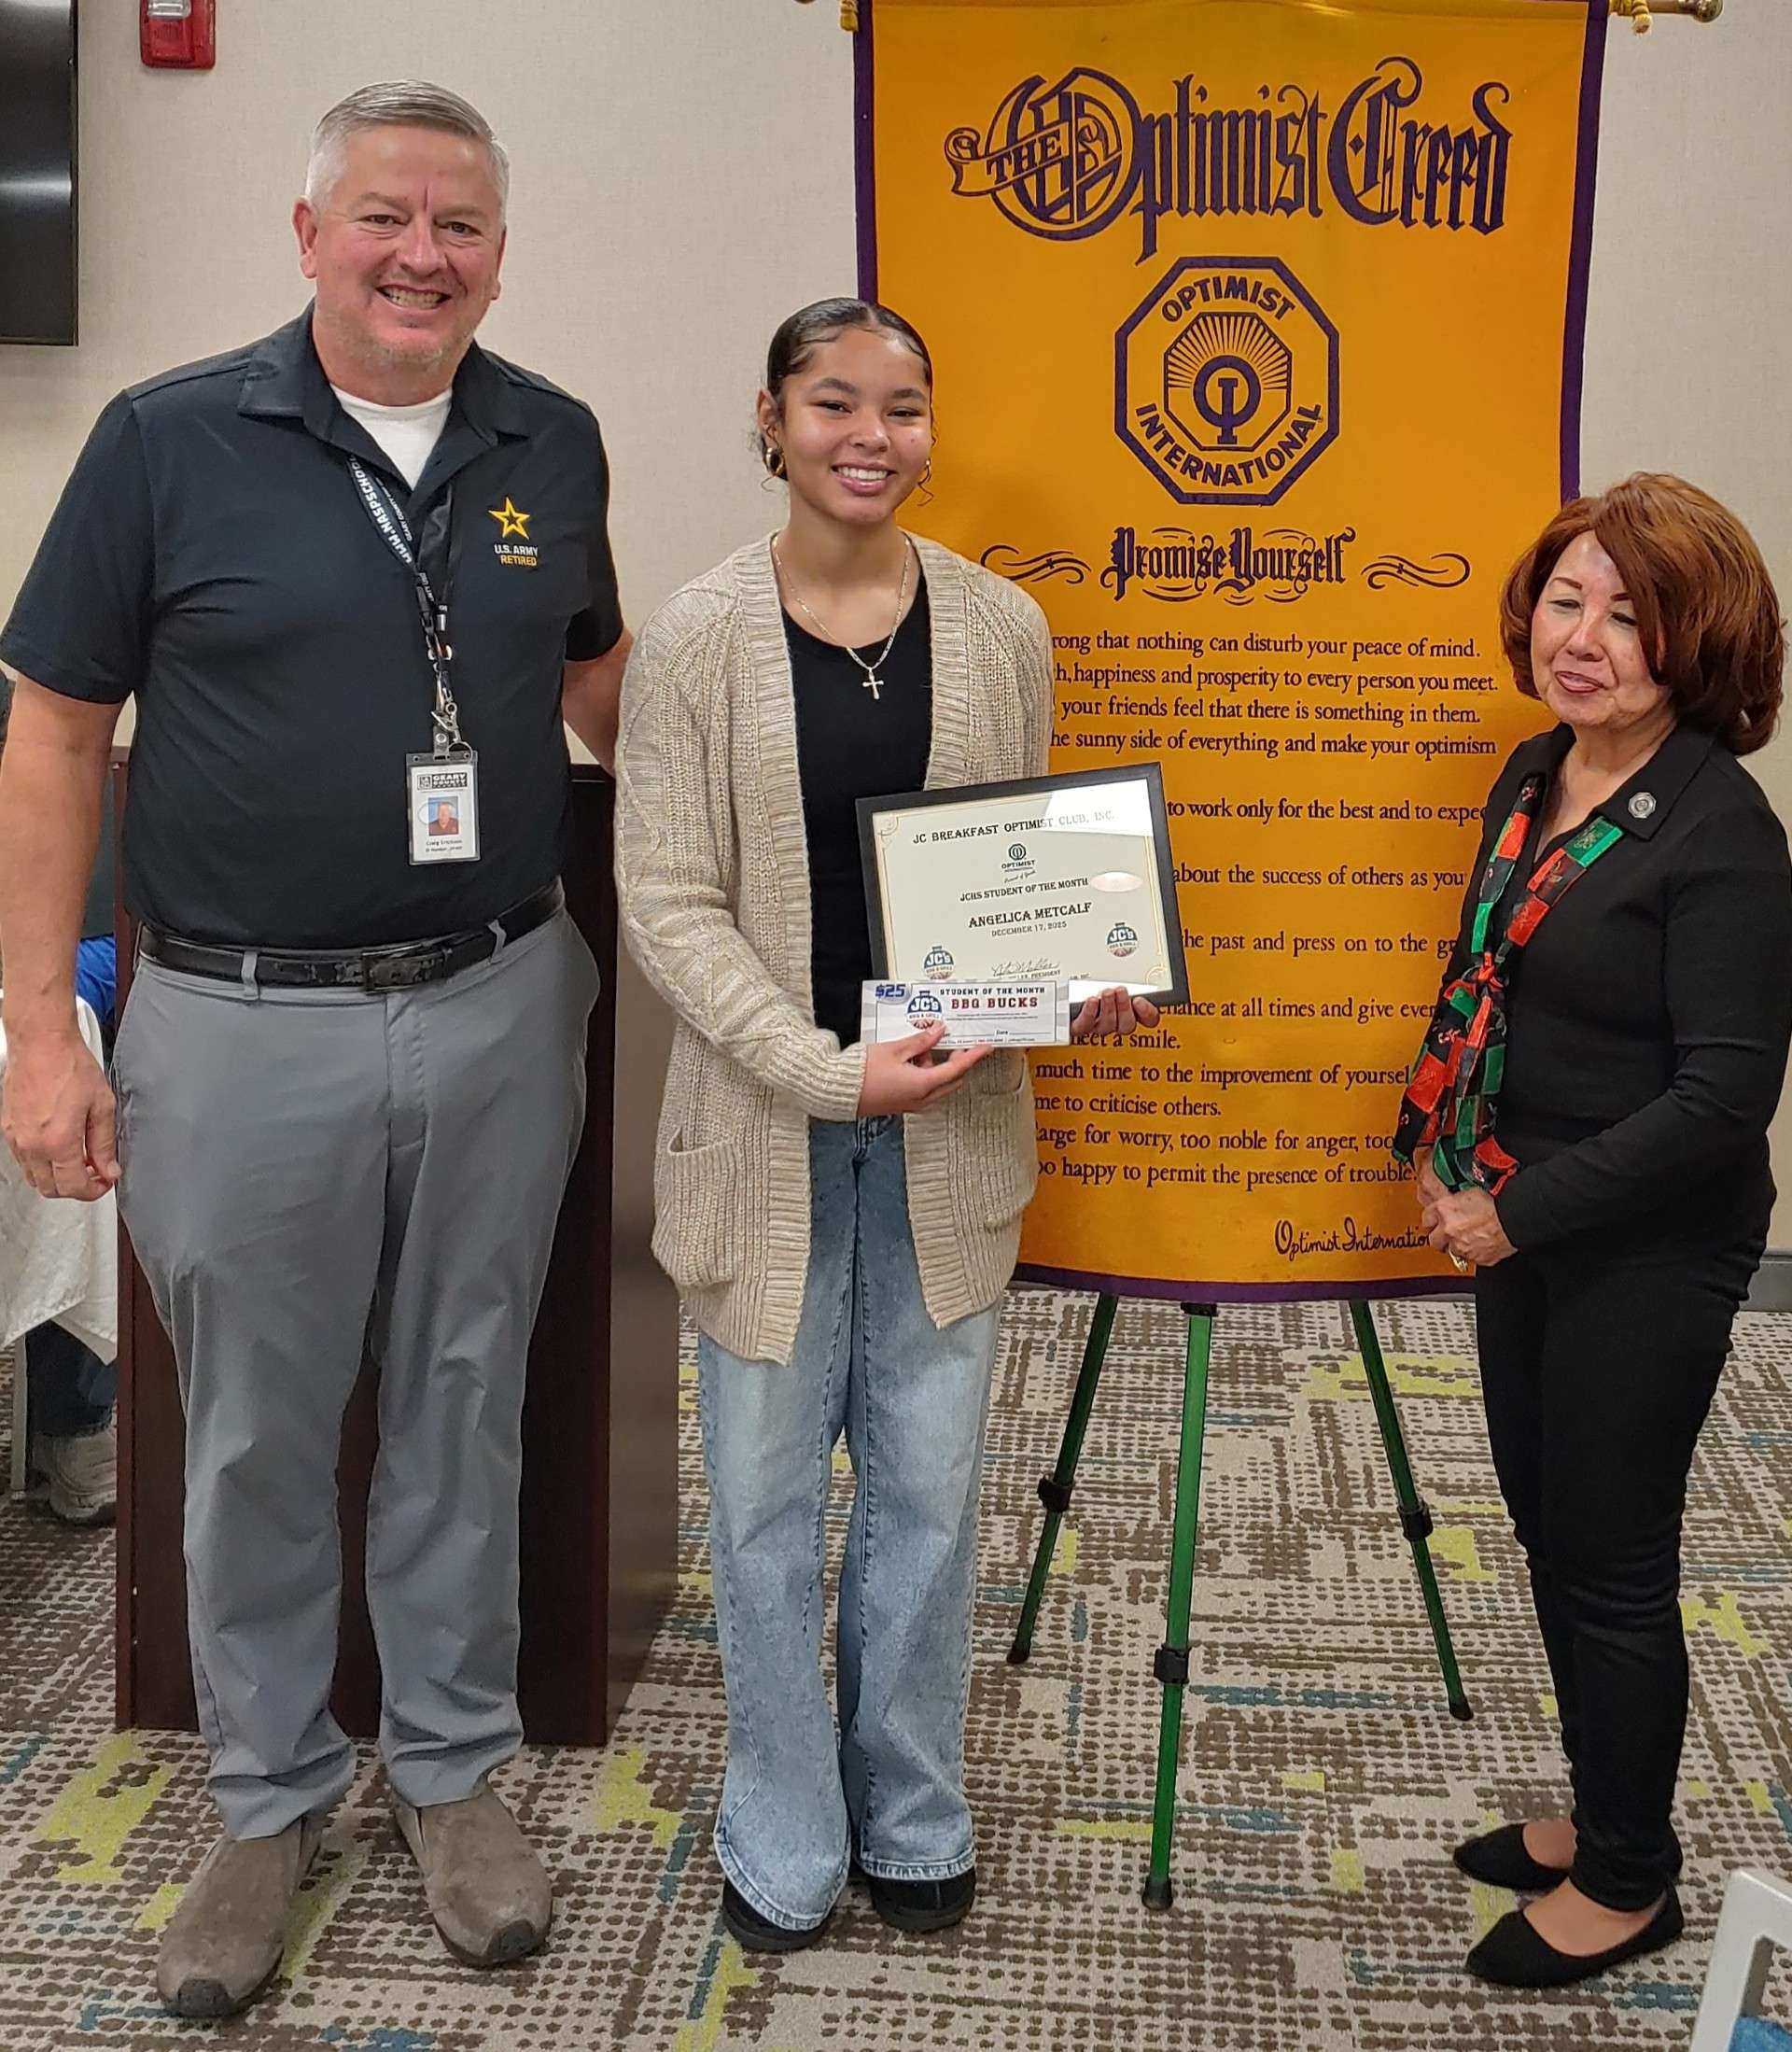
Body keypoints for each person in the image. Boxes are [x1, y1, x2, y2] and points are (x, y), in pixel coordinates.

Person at [0, 82, 629, 2018]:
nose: (420, 252)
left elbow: (595, 670)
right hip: (235, 1014)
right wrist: (46, 1021)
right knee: (260, 1428)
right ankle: (266, 1799)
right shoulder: (166, 438)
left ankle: (446, 1772)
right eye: (383, 217)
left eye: (457, 223)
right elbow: (50, 736)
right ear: (308, 236)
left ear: (498, 254)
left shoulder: (553, 437)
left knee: (465, 1395)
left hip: (499, 996)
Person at [614, 297, 1156, 1953]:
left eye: (903, 405)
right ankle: (783, 1824)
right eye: (834, 399)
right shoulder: (699, 636)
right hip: (770, 1141)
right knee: (767, 1514)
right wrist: (829, 1066)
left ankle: (914, 1802)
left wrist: (1072, 982)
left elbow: (1017, 878)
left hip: (954, 1144)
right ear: (769, 418)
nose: (871, 433)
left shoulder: (1001, 628)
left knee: (927, 1502)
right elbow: (666, 901)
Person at [1393, 473, 1792, 1989]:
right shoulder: (1533, 772)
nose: (1589, 638)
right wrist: (1443, 1153)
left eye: (1633, 615)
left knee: (1614, 1561)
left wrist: (1515, 1211)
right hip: (1524, 1216)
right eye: (1570, 598)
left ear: (1698, 645)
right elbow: (1483, 978)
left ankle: (1633, 1872)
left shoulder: (1722, 830)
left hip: (1650, 1245)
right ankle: (1602, 1800)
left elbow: (1722, 1097)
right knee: (1556, 1532)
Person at [0, 674, 122, 1525]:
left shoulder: (25, 722)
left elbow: (105, 932)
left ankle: (74, 1414)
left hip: (54, 974)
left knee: (63, 1100)